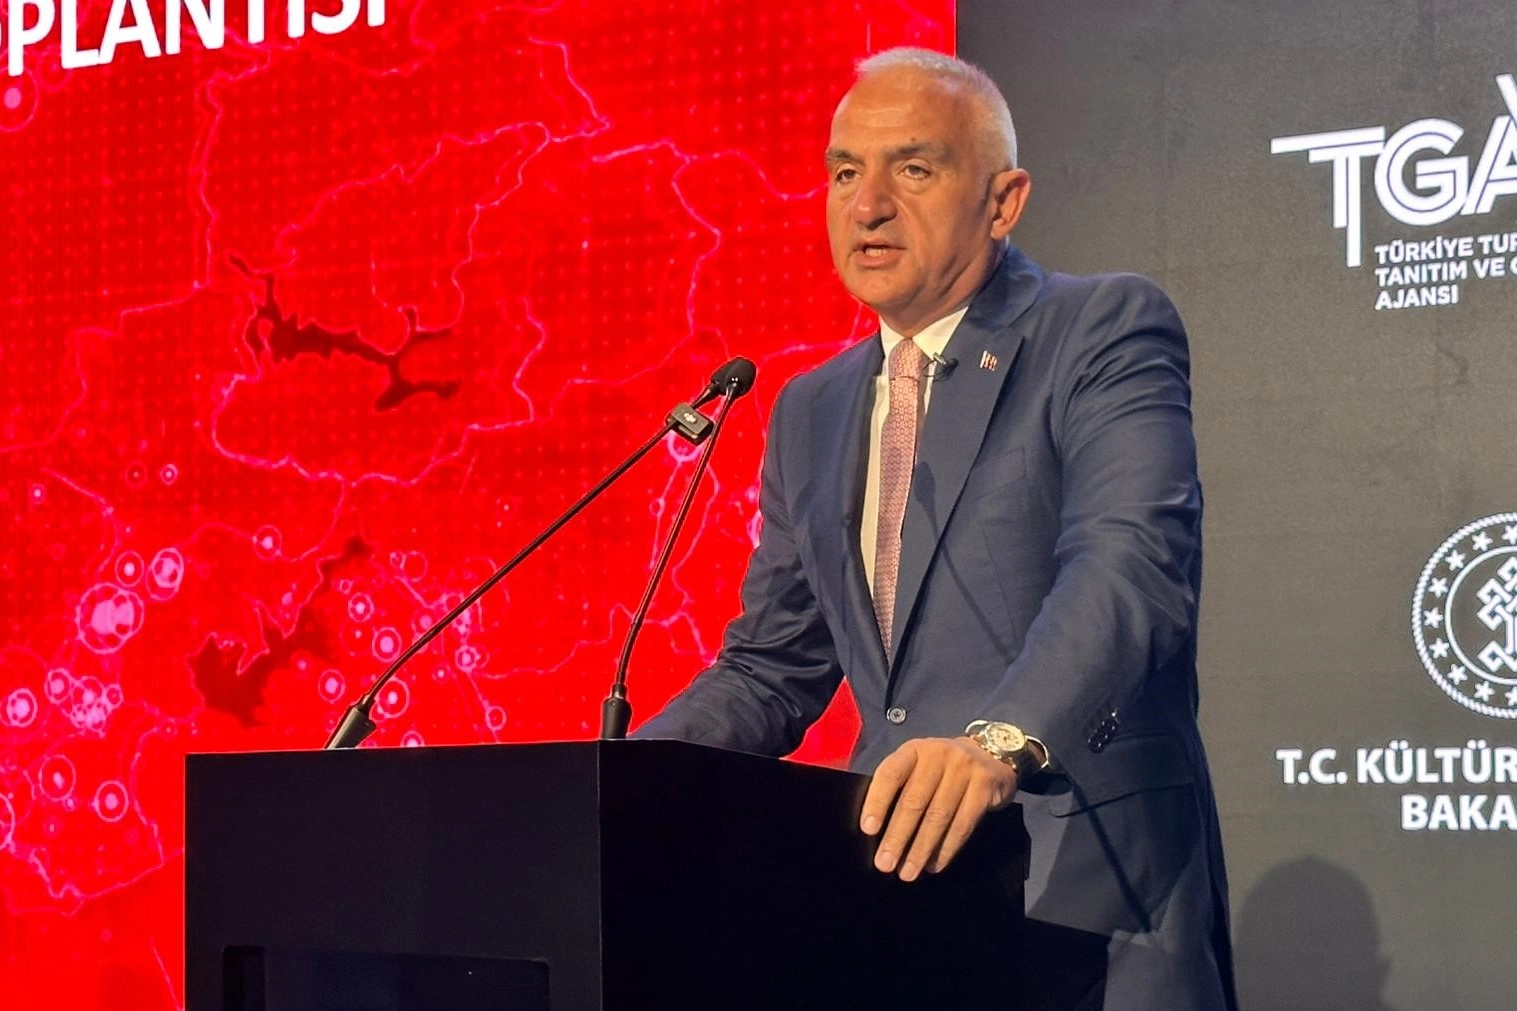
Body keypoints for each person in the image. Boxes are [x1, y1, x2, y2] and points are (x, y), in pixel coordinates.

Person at [636, 47, 1236, 1011]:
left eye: (912, 168)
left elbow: (1127, 565)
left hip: (1088, 895)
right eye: (844, 173)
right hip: (896, 899)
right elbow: (772, 667)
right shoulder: (810, 406)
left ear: (1003, 202)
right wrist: (618, 782)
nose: (867, 205)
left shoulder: (1100, 328)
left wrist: (996, 741)